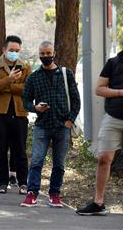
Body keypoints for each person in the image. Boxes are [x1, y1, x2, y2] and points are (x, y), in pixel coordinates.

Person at [76, 40, 123, 217]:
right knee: (104, 158)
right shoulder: (113, 63)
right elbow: (99, 89)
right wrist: (120, 92)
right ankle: (98, 202)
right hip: (112, 117)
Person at [21, 41, 80, 207]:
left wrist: (70, 121)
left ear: (54, 53)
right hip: (42, 126)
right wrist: (35, 108)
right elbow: (25, 100)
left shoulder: (65, 73)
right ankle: (32, 193)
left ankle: (54, 194)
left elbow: (76, 100)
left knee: (59, 164)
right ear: (39, 54)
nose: (45, 56)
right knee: (37, 161)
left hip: (63, 126)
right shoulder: (34, 77)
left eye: (48, 53)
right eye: (42, 54)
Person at [0, 35, 31, 194]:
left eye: (17, 50)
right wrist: (10, 79)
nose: (14, 53)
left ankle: (23, 183)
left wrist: (8, 86)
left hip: (19, 113)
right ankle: (2, 182)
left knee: (20, 150)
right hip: (0, 113)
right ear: (4, 49)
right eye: (11, 50)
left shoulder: (25, 67)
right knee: (1, 149)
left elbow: (28, 89)